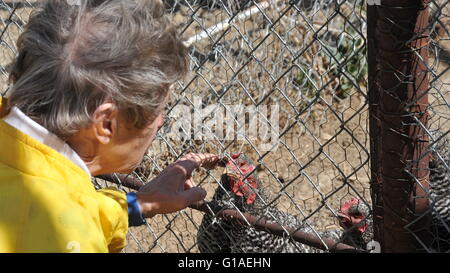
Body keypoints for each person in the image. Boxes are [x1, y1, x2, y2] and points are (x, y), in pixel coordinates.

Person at [0, 0, 219, 253]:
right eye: (160, 110)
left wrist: (139, 204)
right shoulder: (68, 240)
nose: (161, 121)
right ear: (106, 124)